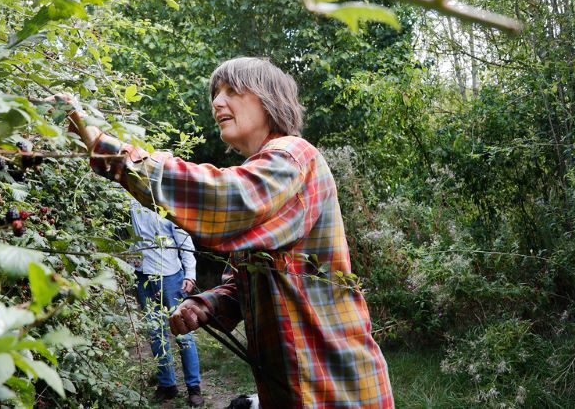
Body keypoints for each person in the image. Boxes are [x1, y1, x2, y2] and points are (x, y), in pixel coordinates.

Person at [50, 57, 393, 408]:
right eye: (215, 93)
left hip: (337, 384)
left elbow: (225, 198)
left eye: (231, 91)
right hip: (292, 385)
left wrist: (111, 152)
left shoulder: (293, 157)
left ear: (268, 99)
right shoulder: (265, 170)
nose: (216, 102)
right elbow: (249, 277)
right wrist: (206, 305)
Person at [127, 196, 204, 406]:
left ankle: (193, 387)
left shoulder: (169, 203)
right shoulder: (130, 201)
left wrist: (190, 274)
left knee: (184, 333)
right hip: (143, 277)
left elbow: (185, 242)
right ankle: (167, 385)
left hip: (171, 278)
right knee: (155, 333)